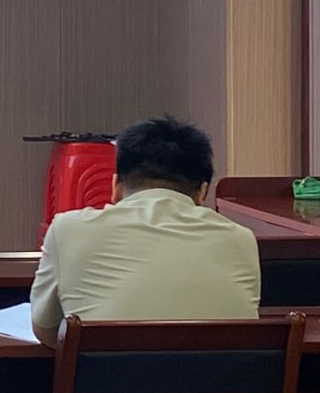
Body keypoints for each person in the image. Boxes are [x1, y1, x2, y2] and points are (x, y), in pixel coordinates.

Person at [29, 116, 258, 347]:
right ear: (202, 192)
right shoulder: (241, 240)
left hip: (110, 371)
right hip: (218, 372)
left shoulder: (67, 230)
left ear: (115, 186)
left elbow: (45, 330)